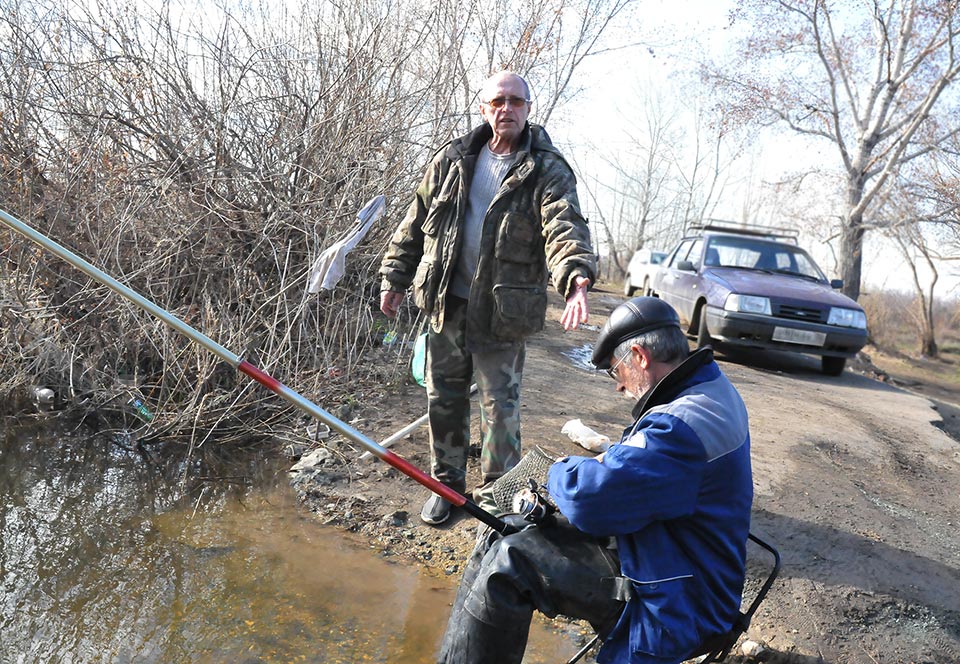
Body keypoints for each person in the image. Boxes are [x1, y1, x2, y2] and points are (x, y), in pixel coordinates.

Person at [436, 296, 754, 664]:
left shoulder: (680, 425)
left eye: (615, 371)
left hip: (680, 598)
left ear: (640, 356)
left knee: (510, 563)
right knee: (499, 529)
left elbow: (589, 500)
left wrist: (557, 470)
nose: (619, 386)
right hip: (671, 548)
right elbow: (647, 467)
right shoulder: (708, 388)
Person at [379, 71, 596, 525]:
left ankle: (499, 501)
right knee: (444, 400)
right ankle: (448, 487)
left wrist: (576, 277)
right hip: (446, 304)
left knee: (500, 410)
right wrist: (394, 277)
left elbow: (563, 225)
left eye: (517, 101)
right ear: (483, 108)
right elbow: (414, 222)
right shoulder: (453, 159)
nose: (507, 109)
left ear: (528, 109)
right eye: (498, 101)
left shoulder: (546, 168)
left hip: (502, 315)